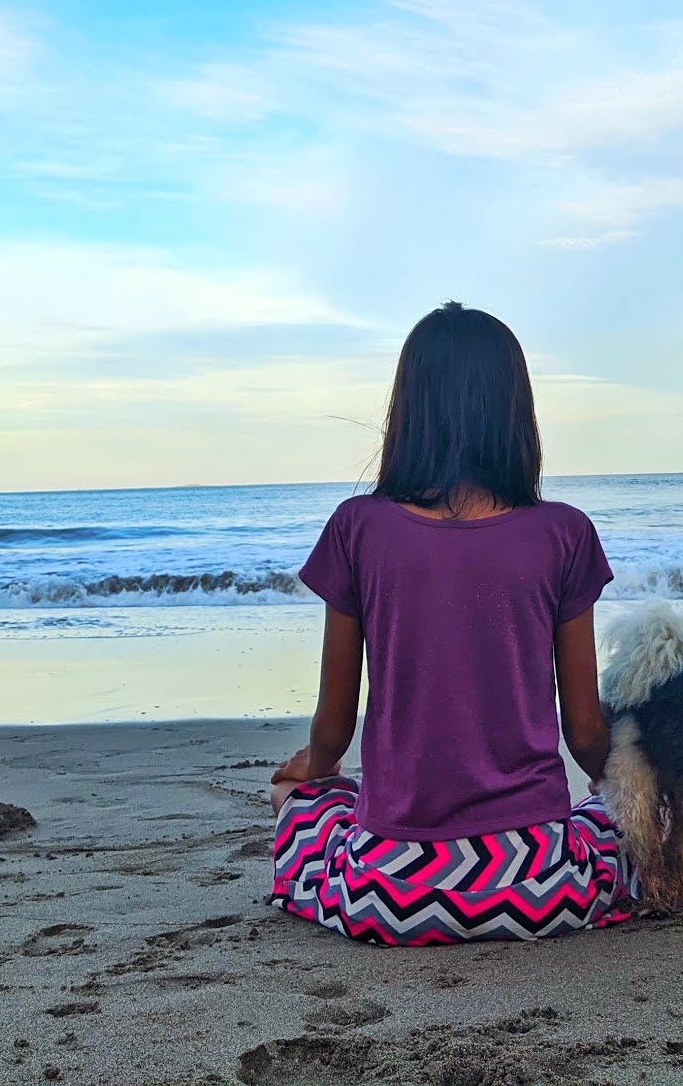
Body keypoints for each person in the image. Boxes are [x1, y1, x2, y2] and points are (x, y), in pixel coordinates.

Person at [266, 301, 639, 944]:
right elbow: (584, 733)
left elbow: (333, 727)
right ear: (516, 413)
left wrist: (311, 766)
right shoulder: (565, 533)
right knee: (614, 822)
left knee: (298, 804)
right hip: (540, 883)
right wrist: (629, 792)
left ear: (406, 412)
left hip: (388, 886)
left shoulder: (359, 526)